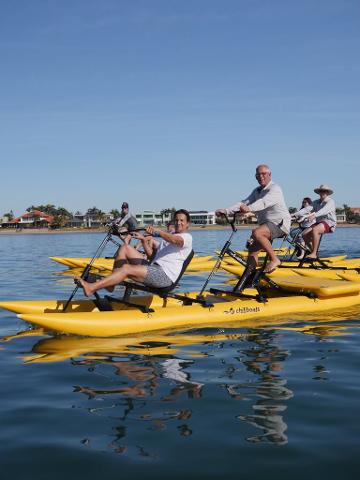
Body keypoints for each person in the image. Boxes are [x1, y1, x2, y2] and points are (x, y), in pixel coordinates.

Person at [76, 209, 192, 296]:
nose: (178, 222)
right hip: (154, 269)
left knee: (126, 268)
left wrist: (159, 232)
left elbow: (176, 240)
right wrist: (143, 239)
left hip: (164, 277)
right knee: (125, 248)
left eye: (182, 220)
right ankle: (110, 285)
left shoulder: (187, 237)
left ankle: (92, 288)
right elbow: (152, 256)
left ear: (187, 224)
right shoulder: (166, 241)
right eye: (176, 220)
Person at [216, 164, 291, 273]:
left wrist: (249, 208)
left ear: (270, 174)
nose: (261, 177)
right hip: (266, 226)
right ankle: (249, 276)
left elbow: (264, 202)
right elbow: (243, 202)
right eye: (258, 175)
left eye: (263, 174)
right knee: (252, 250)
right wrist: (226, 211)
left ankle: (275, 259)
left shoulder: (275, 189)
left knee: (257, 233)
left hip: (280, 224)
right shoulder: (256, 191)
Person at [296, 184, 336, 260]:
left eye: (324, 191)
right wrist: (293, 215)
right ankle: (313, 252)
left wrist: (314, 215)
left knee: (315, 230)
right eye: (321, 191)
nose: (322, 193)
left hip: (329, 223)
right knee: (304, 234)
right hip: (319, 223)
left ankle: (314, 253)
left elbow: (324, 211)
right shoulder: (316, 202)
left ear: (327, 193)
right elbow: (306, 209)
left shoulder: (330, 202)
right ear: (319, 193)